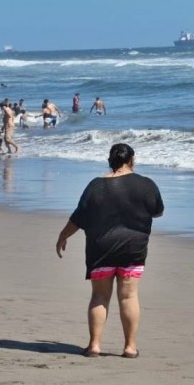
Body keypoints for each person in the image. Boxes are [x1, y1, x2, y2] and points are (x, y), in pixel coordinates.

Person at [55, 143, 164, 359]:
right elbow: (157, 212)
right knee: (129, 296)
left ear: (110, 161)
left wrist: (63, 236)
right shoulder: (146, 184)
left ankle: (94, 345)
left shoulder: (95, 185)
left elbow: (79, 217)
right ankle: (130, 347)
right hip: (133, 247)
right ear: (131, 160)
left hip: (100, 248)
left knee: (99, 296)